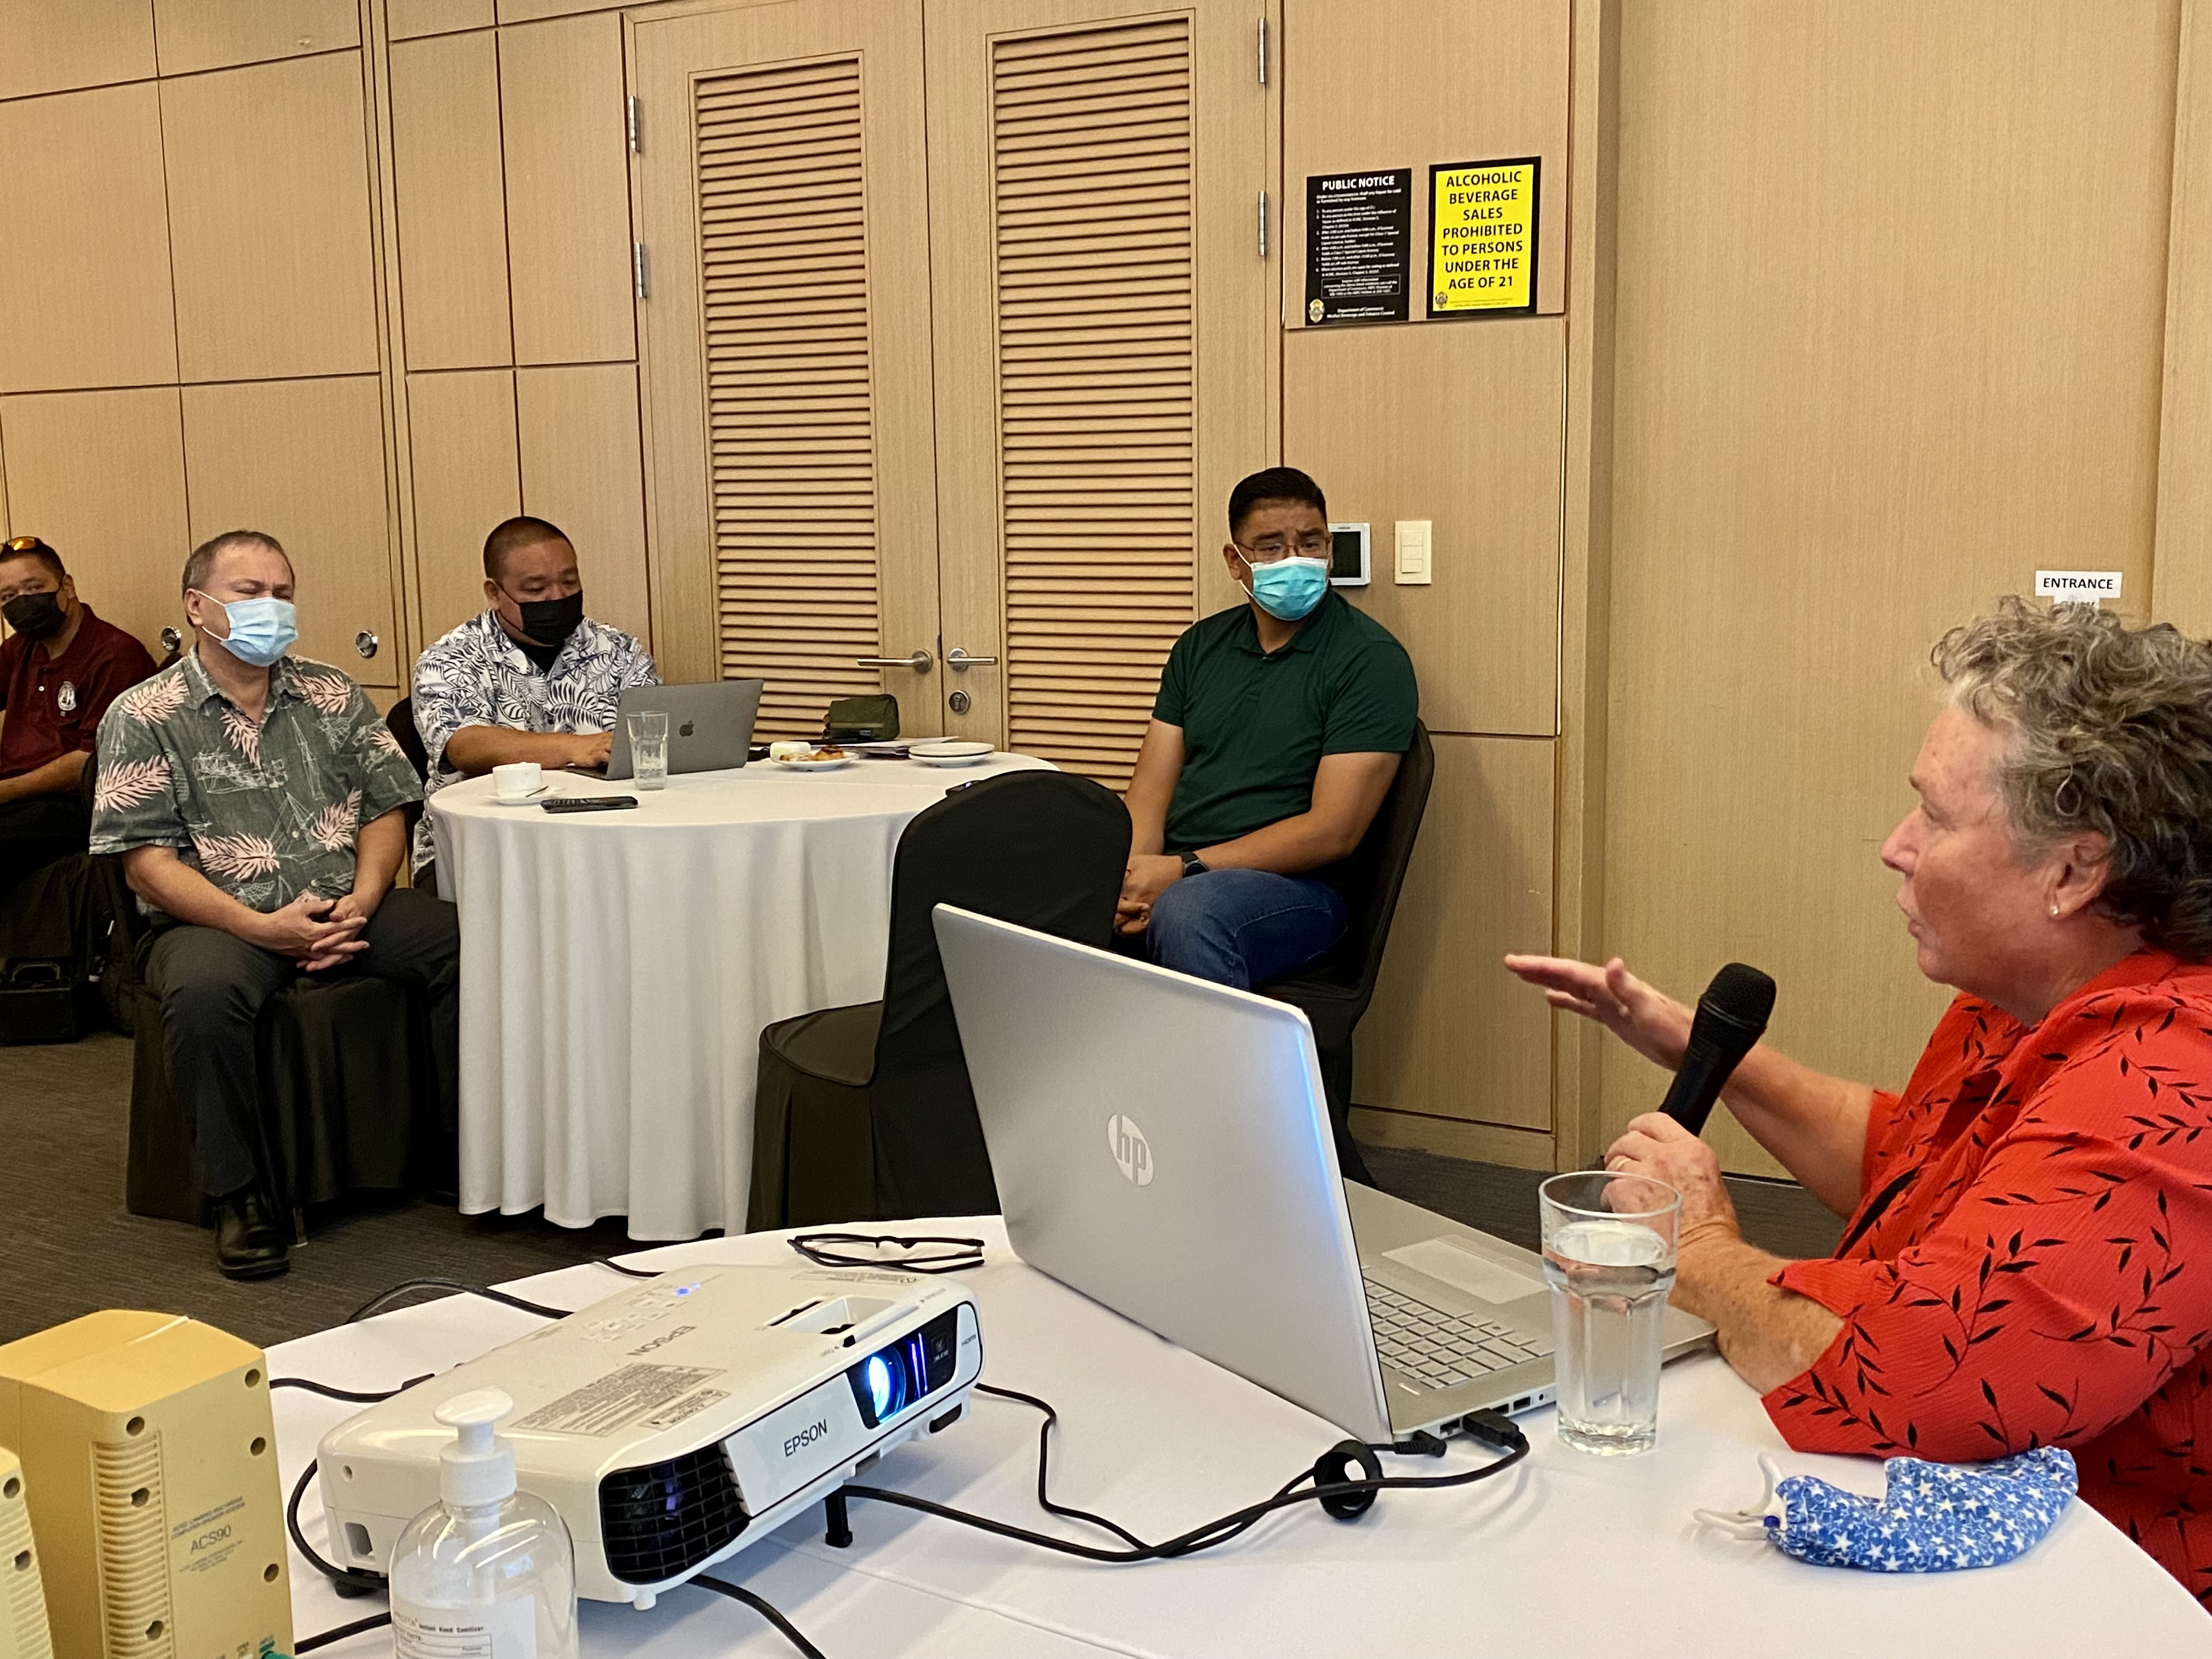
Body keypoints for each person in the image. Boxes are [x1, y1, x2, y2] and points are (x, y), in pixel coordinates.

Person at [1506, 597, 2212, 1604]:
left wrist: (1694, 1247)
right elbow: (1910, 1161)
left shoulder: (2173, 1075)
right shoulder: (2025, 996)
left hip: (2109, 1587)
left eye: (1934, 815)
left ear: (2073, 869)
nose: (1896, 844)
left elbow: (1915, 1375)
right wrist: (1708, 1050)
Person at [89, 529, 459, 1282]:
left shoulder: (331, 692)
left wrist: (362, 900)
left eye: (282, 592)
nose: (272, 608)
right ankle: (241, 1195)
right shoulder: (144, 713)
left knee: (468, 944)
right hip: (215, 917)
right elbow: (148, 863)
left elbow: (388, 808)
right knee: (201, 996)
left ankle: (461, 1147)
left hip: (346, 899)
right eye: (249, 593)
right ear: (197, 607)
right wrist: (263, 928)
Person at [1118, 467, 1417, 989]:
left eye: (1310, 543)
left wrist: (1180, 873)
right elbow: (1147, 797)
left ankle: (1214, 1075)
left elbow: (1333, 831)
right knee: (1037, 875)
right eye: (1272, 547)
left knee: (1192, 911)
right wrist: (1132, 881)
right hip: (1181, 871)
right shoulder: (1199, 648)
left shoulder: (1369, 660)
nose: (1295, 560)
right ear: (1237, 562)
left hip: (1298, 891)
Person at [408, 516, 658, 882]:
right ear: (494, 592)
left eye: (569, 582)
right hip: (482, 851)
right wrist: (574, 748)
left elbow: (652, 732)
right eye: (536, 588)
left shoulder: (618, 650)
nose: (557, 597)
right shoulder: (450, 658)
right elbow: (464, 745)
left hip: (604, 837)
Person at [0, 535, 156, 876]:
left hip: (74, 805)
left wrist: (5, 791)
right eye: (8, 597)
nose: (22, 603)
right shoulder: (22, 648)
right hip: (16, 800)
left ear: (66, 587)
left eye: (33, 587)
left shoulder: (114, 655)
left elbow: (88, 764)